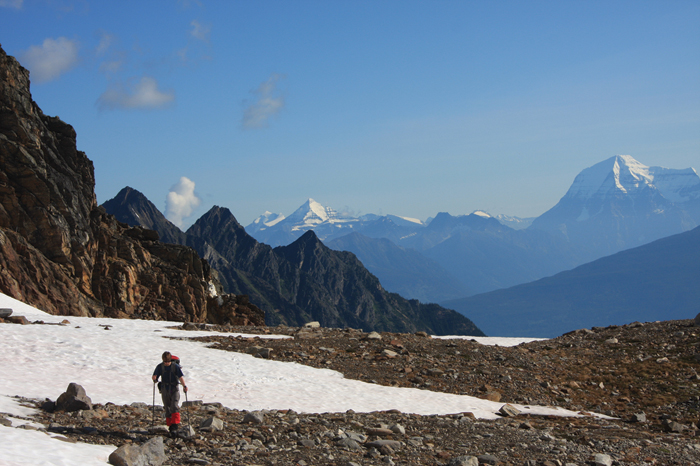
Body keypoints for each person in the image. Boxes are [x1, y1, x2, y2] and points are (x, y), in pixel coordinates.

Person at [152, 351, 188, 434]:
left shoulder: (175, 367)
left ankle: (175, 425)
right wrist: (154, 379)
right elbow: (155, 377)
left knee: (174, 406)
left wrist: (184, 386)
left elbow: (180, 377)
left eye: (168, 361)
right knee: (167, 407)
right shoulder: (160, 367)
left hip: (174, 388)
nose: (167, 363)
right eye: (165, 361)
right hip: (165, 389)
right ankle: (170, 425)